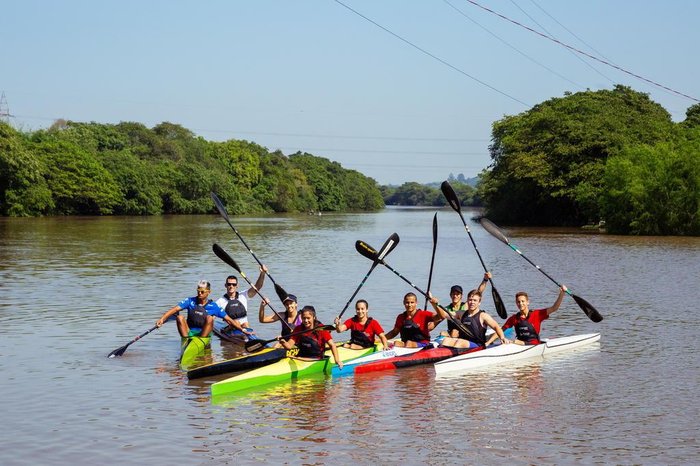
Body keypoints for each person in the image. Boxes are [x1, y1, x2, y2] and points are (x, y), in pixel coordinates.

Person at [487, 285, 567, 346]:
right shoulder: (514, 318)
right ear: (516, 303)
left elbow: (554, 308)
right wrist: (487, 343)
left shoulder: (537, 314)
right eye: (518, 302)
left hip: (534, 345)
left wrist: (562, 294)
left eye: (523, 301)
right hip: (519, 345)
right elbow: (500, 330)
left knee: (514, 341)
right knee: (510, 341)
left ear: (528, 302)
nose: (520, 304)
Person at [431, 288, 509, 348]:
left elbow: (497, 327)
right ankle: (441, 357)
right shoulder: (461, 313)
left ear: (479, 302)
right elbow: (444, 315)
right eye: (470, 300)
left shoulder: (483, 315)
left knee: (459, 342)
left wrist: (502, 338)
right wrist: (435, 305)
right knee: (445, 340)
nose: (472, 302)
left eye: (475, 300)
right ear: (467, 301)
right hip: (462, 343)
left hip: (477, 345)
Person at [156, 280, 234, 338]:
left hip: (204, 333)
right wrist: (162, 319)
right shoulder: (190, 301)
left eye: (202, 291)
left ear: (208, 292)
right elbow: (175, 309)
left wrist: (243, 330)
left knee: (210, 318)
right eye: (198, 291)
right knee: (179, 317)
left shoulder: (214, 306)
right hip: (189, 332)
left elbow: (230, 320)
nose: (199, 293)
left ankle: (202, 340)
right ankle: (186, 340)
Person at [277, 305, 343, 369]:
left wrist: (337, 360)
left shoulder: (321, 329)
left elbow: (332, 345)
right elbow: (289, 346)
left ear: (314, 317)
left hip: (316, 358)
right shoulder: (298, 329)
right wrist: (283, 342)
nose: (305, 321)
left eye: (308, 318)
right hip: (300, 357)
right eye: (303, 318)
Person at [215, 265, 267, 338]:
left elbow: (257, 287)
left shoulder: (243, 295)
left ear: (237, 286)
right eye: (229, 284)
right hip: (230, 329)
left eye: (234, 284)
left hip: (245, 327)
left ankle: (251, 339)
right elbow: (210, 315)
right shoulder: (220, 301)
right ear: (225, 285)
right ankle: (245, 338)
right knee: (237, 322)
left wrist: (262, 273)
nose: (231, 286)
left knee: (245, 324)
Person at [440, 272, 492, 337]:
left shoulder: (466, 305)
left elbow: (479, 292)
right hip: (451, 333)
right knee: (442, 333)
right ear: (450, 295)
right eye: (453, 294)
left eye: (457, 294)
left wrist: (485, 279)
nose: (455, 296)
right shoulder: (446, 308)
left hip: (464, 333)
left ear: (461, 296)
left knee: (454, 332)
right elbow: (437, 317)